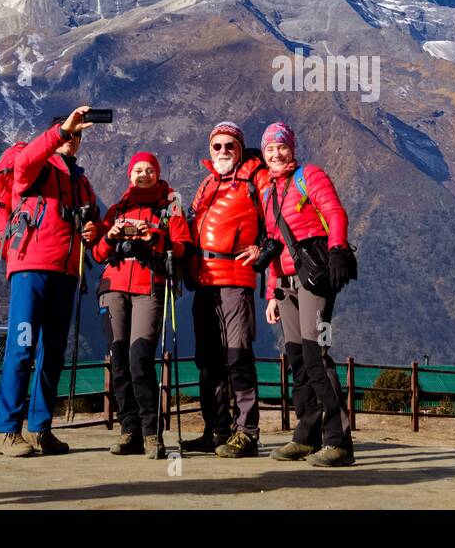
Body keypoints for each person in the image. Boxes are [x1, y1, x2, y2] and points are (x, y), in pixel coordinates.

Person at [0, 105, 102, 457]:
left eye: (78, 135)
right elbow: (24, 162)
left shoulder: (81, 181)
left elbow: (92, 223)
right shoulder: (36, 167)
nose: (74, 139)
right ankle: (7, 431)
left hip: (67, 272)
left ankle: (41, 429)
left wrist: (92, 229)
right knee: (22, 347)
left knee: (53, 352)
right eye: (69, 133)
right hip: (31, 267)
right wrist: (60, 130)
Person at [259, 122, 355, 467]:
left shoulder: (309, 176)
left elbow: (334, 212)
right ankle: (306, 436)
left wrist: (339, 249)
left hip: (314, 278)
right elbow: (272, 243)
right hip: (284, 283)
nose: (275, 154)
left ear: (292, 148)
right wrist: (271, 292)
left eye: (281, 147)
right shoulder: (267, 191)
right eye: (269, 149)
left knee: (316, 353)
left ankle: (338, 442)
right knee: (298, 359)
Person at [90, 151, 191, 459]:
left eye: (149, 169)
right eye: (138, 169)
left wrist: (155, 237)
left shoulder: (170, 205)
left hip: (150, 286)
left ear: (158, 174)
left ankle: (151, 433)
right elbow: (97, 253)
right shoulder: (120, 207)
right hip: (113, 287)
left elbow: (183, 247)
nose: (144, 174)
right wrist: (110, 235)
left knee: (139, 358)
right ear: (129, 175)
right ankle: (129, 430)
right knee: (119, 359)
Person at [181, 121, 270, 457]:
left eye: (228, 146)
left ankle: (246, 432)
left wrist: (264, 249)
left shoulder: (255, 178)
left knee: (237, 356)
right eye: (216, 146)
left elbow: (276, 217)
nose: (222, 152)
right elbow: (191, 226)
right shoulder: (207, 183)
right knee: (208, 361)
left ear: (239, 147)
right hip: (204, 281)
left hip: (235, 278)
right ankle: (215, 431)